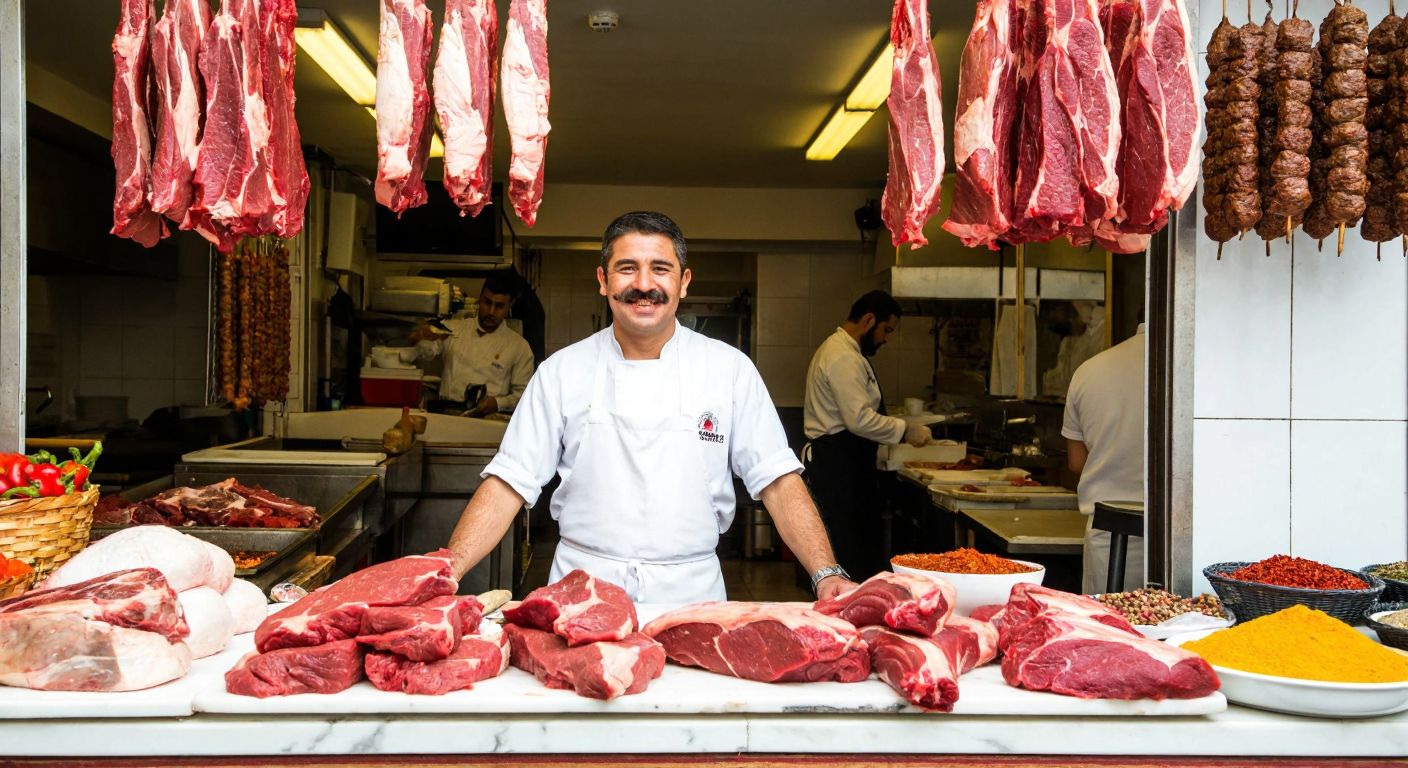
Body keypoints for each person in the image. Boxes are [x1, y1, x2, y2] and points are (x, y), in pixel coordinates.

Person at [445, 211, 856, 603]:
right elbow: (507, 483)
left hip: (690, 594)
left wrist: (826, 573)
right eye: (627, 268)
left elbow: (778, 480)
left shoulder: (729, 370)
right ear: (603, 281)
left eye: (660, 268)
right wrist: (447, 572)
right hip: (582, 589)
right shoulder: (561, 372)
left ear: (684, 281)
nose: (644, 284)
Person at [802, 290, 933, 580]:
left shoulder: (846, 352)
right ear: (868, 320)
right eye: (886, 330)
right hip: (839, 465)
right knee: (848, 550)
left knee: (852, 548)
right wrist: (905, 430)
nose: (886, 338)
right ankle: (847, 614)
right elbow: (858, 419)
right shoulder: (841, 356)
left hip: (845, 464)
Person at [1062, 322, 1145, 594]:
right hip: (1189, 537)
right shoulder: (1203, 366)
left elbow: (1077, 462)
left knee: (1109, 630)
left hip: (1110, 541)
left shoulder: (1089, 371)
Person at [404, 273, 534, 417]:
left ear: (511, 304)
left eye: (499, 306)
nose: (491, 311)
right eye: (487, 302)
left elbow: (523, 394)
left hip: (488, 422)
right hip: (447, 415)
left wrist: (497, 403)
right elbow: (427, 353)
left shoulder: (519, 347)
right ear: (480, 299)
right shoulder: (452, 329)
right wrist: (420, 337)